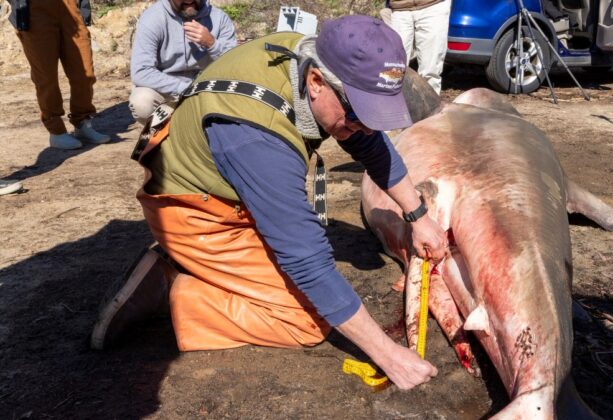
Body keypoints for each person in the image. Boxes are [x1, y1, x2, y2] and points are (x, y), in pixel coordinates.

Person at [92, 15, 448, 390]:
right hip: (196, 212)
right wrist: (388, 355)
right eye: (360, 114)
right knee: (305, 320)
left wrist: (418, 216)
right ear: (316, 82)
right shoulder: (258, 141)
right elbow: (306, 259)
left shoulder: (308, 54)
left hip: (231, 187)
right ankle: (177, 288)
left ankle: (199, 268)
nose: (366, 127)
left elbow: (368, 143)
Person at [8, 0, 109, 150]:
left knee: (85, 73)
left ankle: (82, 122)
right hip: (35, 9)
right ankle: (56, 131)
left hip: (71, 7)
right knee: (46, 76)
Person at [128, 0, 237, 123]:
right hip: (166, 90)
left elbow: (233, 65)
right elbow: (141, 71)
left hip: (207, 88)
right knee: (142, 102)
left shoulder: (219, 18)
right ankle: (164, 136)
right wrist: (186, 89)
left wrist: (212, 44)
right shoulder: (153, 18)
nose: (189, 1)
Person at [389, 0, 451, 94]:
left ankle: (431, 107)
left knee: (431, 71)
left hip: (434, 6)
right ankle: (390, 106)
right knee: (393, 68)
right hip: (399, 8)